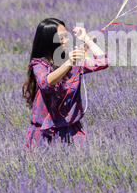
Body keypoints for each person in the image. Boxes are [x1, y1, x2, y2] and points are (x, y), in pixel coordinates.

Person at [22, 18, 108, 149]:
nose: (66, 40)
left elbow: (103, 62)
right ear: (49, 41)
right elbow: (45, 82)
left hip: (72, 132)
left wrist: (87, 39)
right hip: (44, 134)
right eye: (61, 38)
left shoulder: (73, 61)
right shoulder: (39, 64)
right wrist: (69, 63)